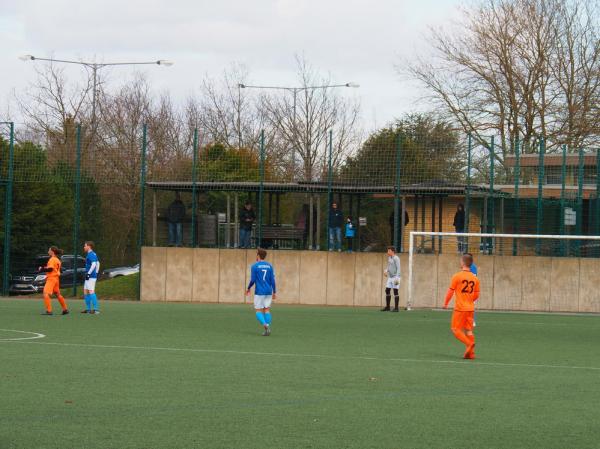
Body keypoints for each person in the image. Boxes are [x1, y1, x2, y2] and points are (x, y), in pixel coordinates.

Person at [443, 253, 480, 359]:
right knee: (468, 330)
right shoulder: (475, 279)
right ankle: (471, 354)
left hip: (460, 308)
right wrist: (469, 300)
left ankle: (469, 344)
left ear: (463, 262)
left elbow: (450, 291)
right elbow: (477, 295)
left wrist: (445, 303)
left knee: (455, 329)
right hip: (471, 308)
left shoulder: (457, 276)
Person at [246, 248, 277, 336]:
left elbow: (253, 280)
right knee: (266, 309)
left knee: (258, 310)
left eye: (256, 254)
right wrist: (274, 292)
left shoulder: (254, 266)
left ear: (258, 255)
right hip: (268, 291)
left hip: (259, 291)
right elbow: (272, 280)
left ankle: (265, 326)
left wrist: (248, 288)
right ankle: (267, 328)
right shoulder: (270, 266)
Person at [38, 246, 69, 316]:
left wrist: (42, 269)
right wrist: (44, 268)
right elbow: (56, 269)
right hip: (56, 279)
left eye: (49, 250)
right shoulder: (57, 260)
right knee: (58, 294)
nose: (48, 251)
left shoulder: (52, 259)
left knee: (46, 293)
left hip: (51, 278)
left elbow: (50, 269)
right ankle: (65, 309)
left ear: (52, 251)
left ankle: (49, 311)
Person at [81, 241, 101, 314]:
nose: (84, 247)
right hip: (90, 275)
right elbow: (98, 263)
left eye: (85, 246)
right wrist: (96, 272)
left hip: (90, 276)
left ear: (89, 246)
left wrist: (89, 273)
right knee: (85, 291)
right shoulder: (91, 254)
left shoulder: (91, 254)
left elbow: (94, 264)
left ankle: (96, 310)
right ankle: (88, 309)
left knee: (91, 291)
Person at [382, 246, 401, 312]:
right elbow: (389, 266)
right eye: (387, 251)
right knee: (387, 290)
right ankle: (387, 307)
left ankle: (396, 308)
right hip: (390, 277)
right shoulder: (389, 258)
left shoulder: (396, 258)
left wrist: (397, 278)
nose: (387, 252)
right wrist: (386, 270)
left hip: (396, 277)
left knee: (395, 291)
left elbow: (398, 268)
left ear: (392, 251)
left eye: (389, 251)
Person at [465, 252, 478, 327]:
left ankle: (472, 321)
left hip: (471, 290)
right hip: (466, 290)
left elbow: (473, 278)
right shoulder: (466, 266)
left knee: (471, 306)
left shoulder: (473, 267)